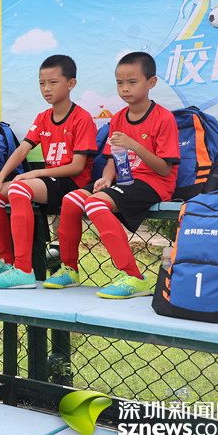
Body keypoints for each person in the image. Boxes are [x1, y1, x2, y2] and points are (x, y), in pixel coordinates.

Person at [48, 51, 180, 298]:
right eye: (120, 83)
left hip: (154, 183)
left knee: (95, 204)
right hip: (123, 181)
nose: (125, 88)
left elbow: (165, 169)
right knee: (72, 200)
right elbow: (112, 158)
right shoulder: (118, 118)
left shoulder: (164, 118)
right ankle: (69, 270)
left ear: (151, 82)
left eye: (132, 82)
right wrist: (107, 177)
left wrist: (135, 145)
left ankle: (134, 276)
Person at [0, 55, 98, 289]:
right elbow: (23, 149)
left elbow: (77, 167)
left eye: (53, 82)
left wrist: (35, 174)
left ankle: (24, 270)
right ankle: (7, 261)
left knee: (19, 188)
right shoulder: (43, 118)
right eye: (42, 83)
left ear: (71, 84)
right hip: (50, 181)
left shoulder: (82, 118)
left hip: (72, 182)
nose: (46, 88)